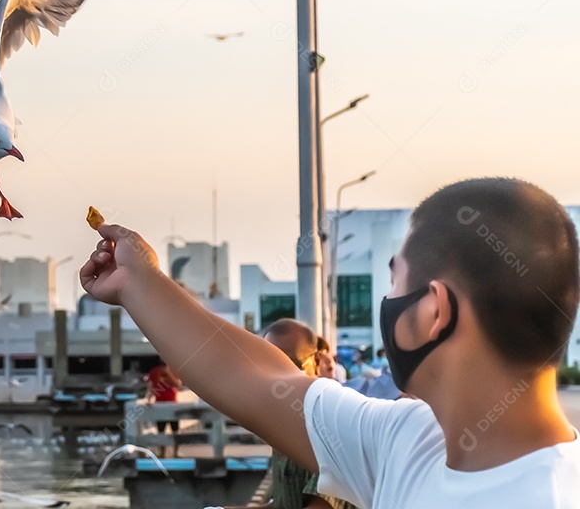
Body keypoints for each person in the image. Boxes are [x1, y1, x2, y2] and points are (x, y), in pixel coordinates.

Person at [80, 178, 580, 507]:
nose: (387, 302)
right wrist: (138, 281)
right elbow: (261, 381)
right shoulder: (410, 441)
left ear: (433, 311)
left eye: (394, 283)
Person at [262, 319, 358, 509]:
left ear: (315, 363)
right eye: (267, 364)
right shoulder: (285, 427)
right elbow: (283, 504)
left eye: (291, 364)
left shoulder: (332, 425)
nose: (278, 375)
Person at [144, 361, 182, 455]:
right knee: (161, 430)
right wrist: (148, 398)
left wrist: (168, 373)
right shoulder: (154, 371)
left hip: (172, 405)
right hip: (159, 405)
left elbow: (178, 385)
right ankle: (162, 452)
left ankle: (176, 452)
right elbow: (151, 386)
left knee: (175, 430)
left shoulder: (174, 370)